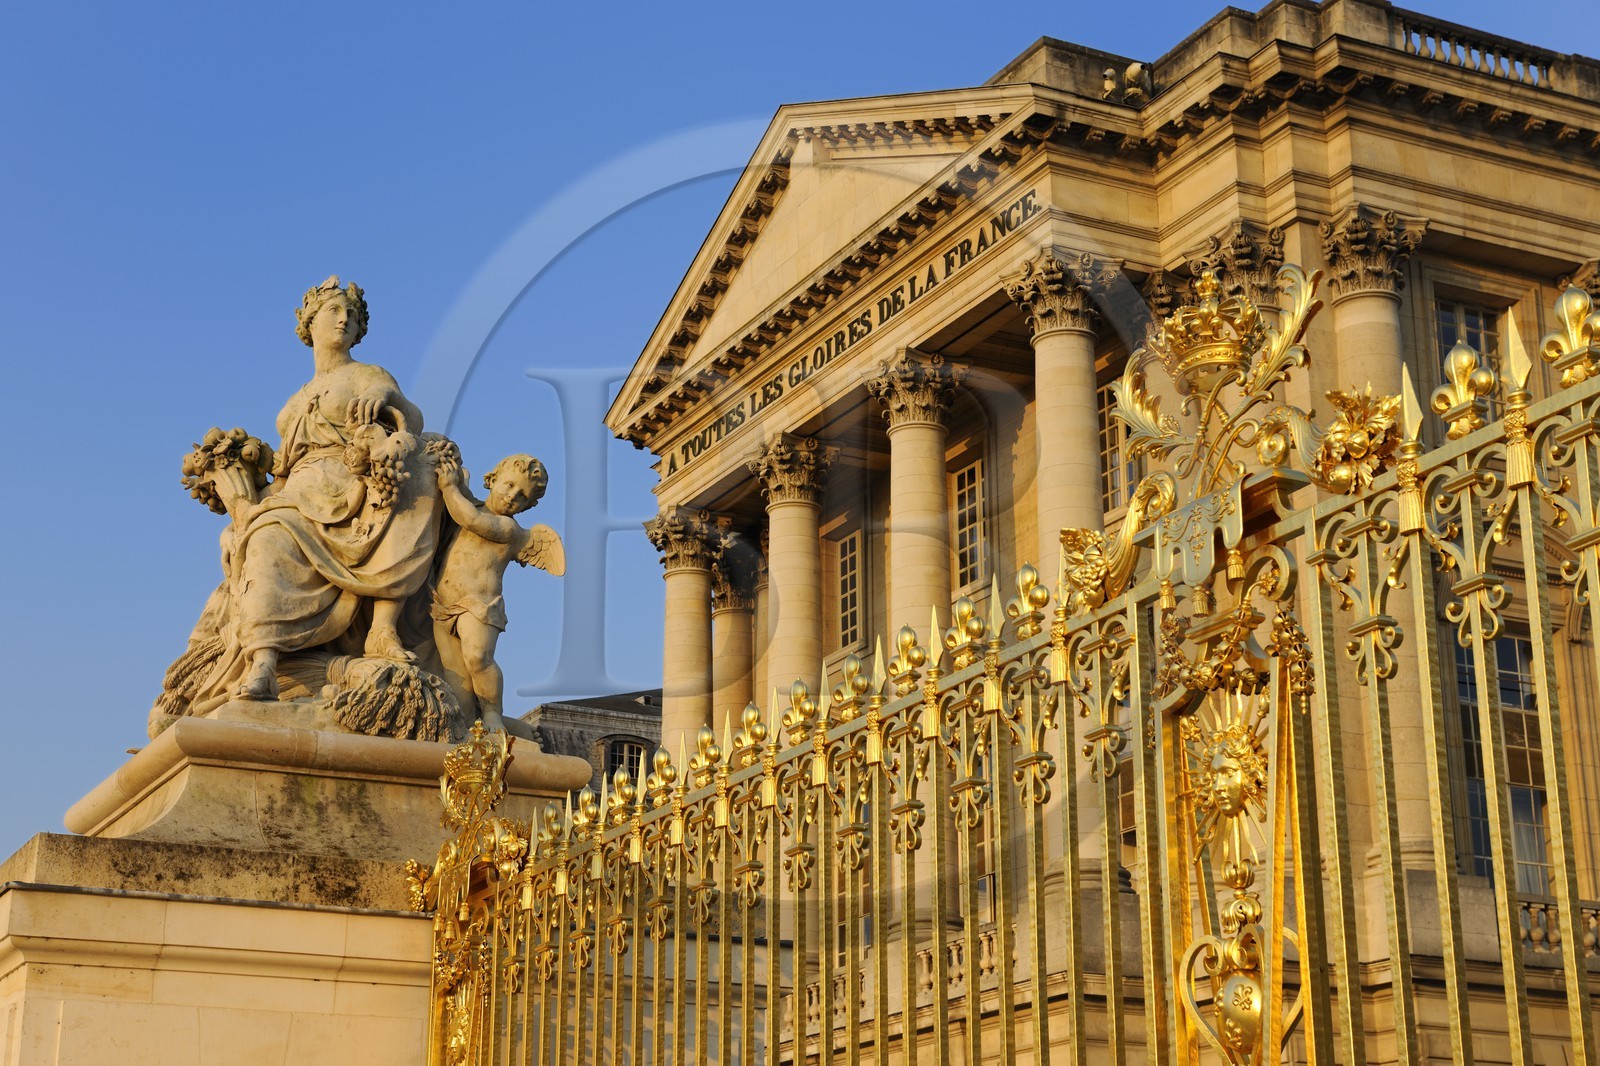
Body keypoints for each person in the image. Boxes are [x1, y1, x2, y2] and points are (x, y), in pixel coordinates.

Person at [212, 276, 444, 703]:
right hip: (297, 490)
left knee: (272, 529)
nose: (343, 320)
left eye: (351, 316)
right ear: (309, 324)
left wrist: (384, 396)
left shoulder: (367, 374)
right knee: (261, 534)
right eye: (334, 312)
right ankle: (264, 663)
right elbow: (282, 472)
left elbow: (411, 413)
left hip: (348, 483)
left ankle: (375, 631)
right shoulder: (295, 400)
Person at [431, 452, 565, 740]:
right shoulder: (470, 504)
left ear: (527, 507)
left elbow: (470, 519)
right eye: (509, 486)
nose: (512, 497)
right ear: (492, 479)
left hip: (480, 607)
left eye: (522, 497)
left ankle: (492, 712)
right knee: (456, 678)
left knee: (478, 658)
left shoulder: (508, 528)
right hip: (443, 604)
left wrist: (448, 487)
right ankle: (469, 729)